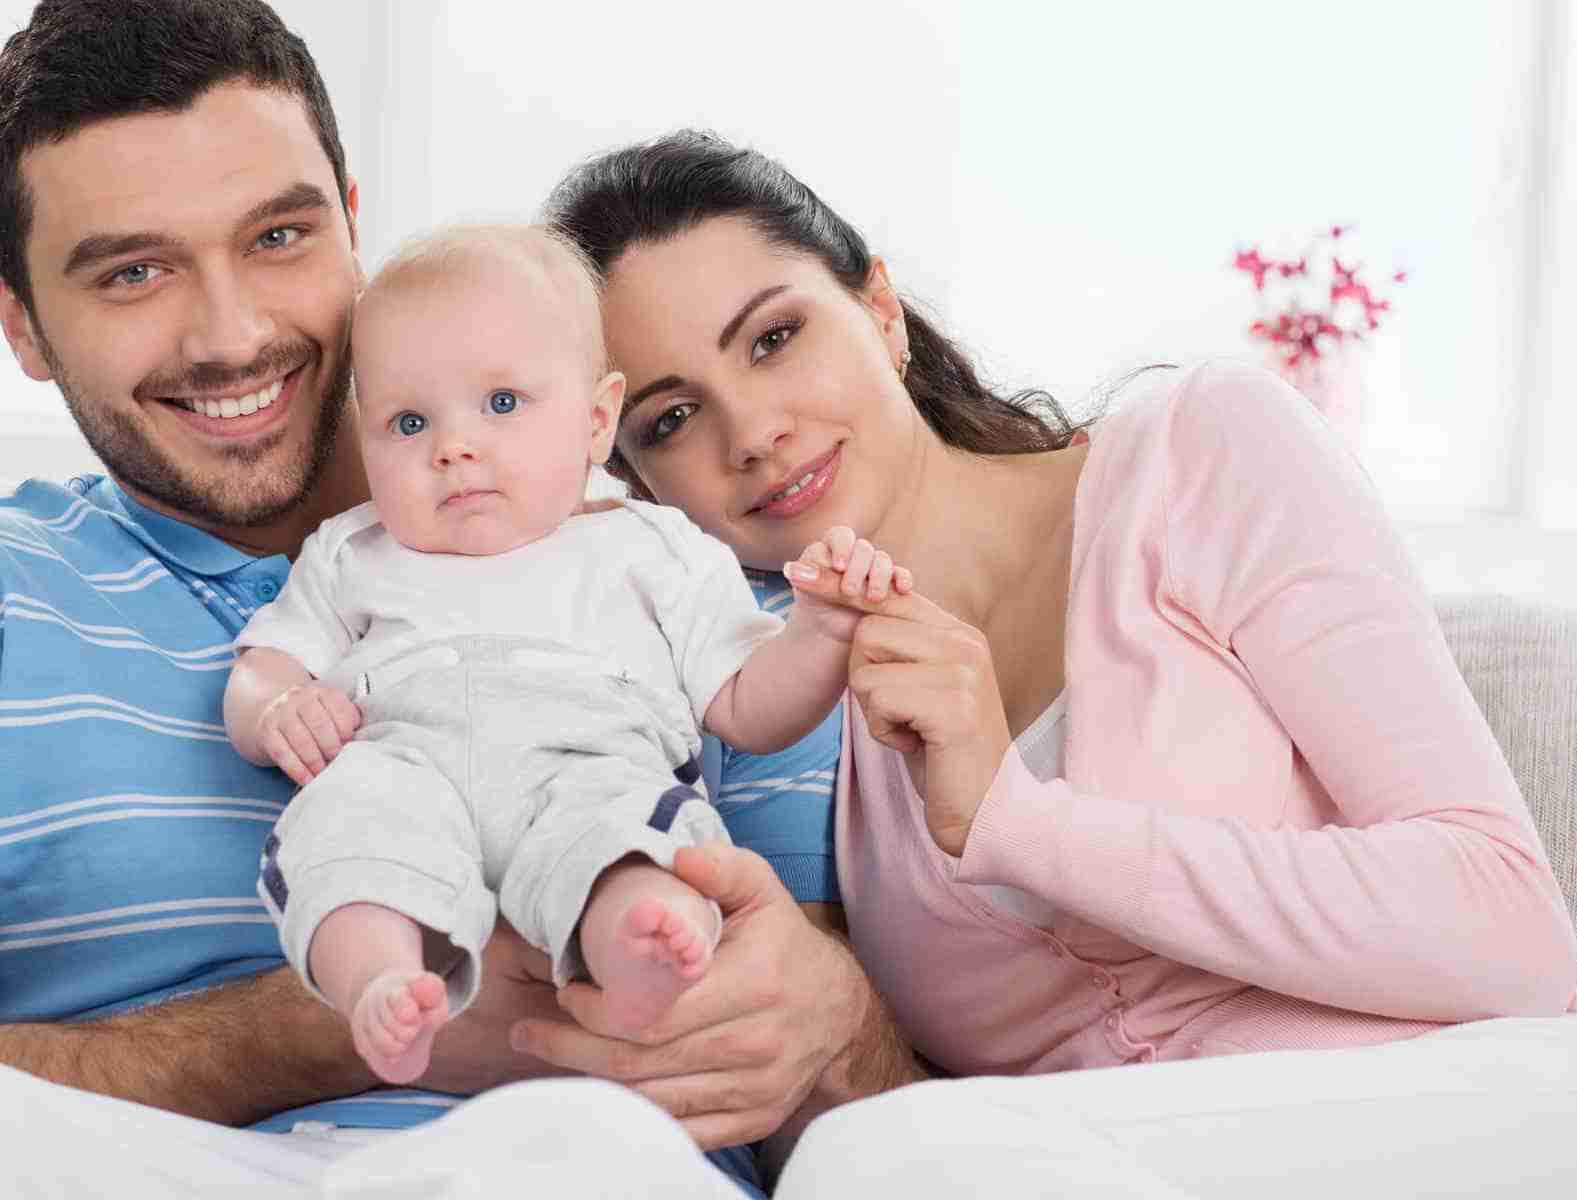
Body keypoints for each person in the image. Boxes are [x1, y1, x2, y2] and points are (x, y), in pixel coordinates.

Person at [530, 131, 1577, 1196]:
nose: (751, 432)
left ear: (878, 309)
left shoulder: (1198, 455)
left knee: (885, 1166)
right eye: (672, 422)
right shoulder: (809, 725)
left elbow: (1509, 931)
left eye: (776, 339)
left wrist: (1019, 821)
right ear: (639, 485)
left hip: (1515, 1124)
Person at [0, 4, 904, 1196]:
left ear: (352, 226)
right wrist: (293, 1034)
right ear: (23, 326)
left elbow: (881, 1114)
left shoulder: (673, 553)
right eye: (134, 271)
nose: (233, 334)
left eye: (278, 236)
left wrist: (832, 1025)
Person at [224, 223, 907, 1087]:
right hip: (405, 764)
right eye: (407, 421)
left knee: (635, 843)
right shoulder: (351, 553)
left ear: (594, 420)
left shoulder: (655, 548)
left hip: (589, 766)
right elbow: (263, 663)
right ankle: (381, 980)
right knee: (344, 829)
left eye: (502, 403)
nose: (453, 446)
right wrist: (279, 706)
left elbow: (748, 704)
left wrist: (823, 631)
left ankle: (640, 954)